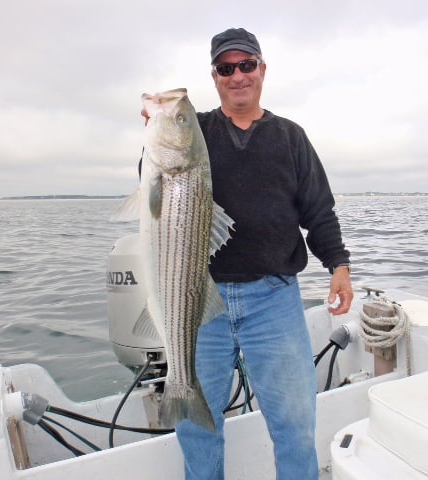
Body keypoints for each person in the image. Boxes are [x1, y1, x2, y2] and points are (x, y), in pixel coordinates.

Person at [148, 27, 353, 480]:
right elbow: (155, 180)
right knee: (197, 427)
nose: (237, 75)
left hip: (274, 299)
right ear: (215, 76)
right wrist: (156, 130)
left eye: (246, 65)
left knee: (295, 424)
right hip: (198, 299)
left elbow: (318, 209)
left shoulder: (290, 137)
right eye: (226, 68)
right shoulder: (195, 131)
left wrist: (339, 265)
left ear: (262, 69)